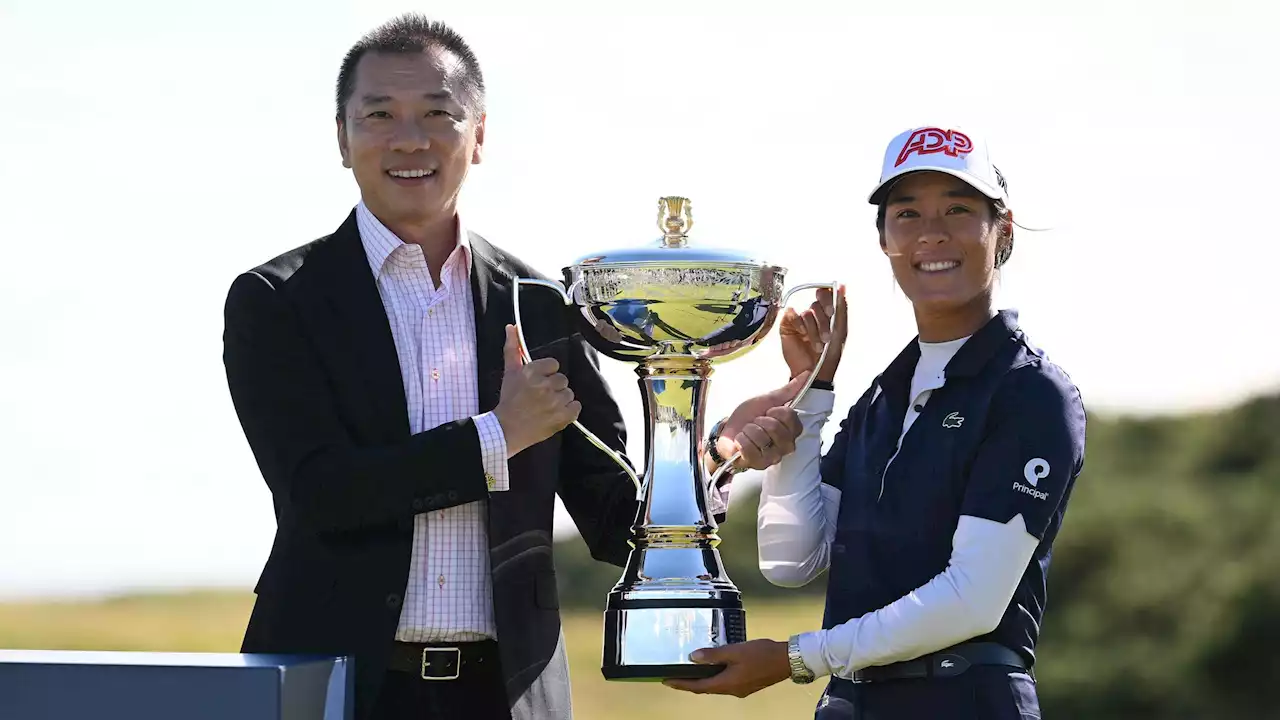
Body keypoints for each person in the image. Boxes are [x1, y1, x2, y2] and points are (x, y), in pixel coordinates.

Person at [220, 14, 640, 720]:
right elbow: (322, 494)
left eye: (437, 114)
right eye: (379, 114)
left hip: (508, 696)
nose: (409, 139)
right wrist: (498, 437)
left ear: (478, 136)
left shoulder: (540, 306)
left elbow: (612, 513)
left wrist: (715, 455)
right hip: (336, 686)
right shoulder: (277, 300)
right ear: (342, 138)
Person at [664, 126, 1087, 719]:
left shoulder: (1031, 393)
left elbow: (972, 601)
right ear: (885, 239)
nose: (932, 233)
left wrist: (795, 658)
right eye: (907, 214)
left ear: (1003, 229)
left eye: (959, 209)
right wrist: (808, 402)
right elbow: (790, 561)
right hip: (853, 704)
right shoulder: (884, 397)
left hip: (966, 702)